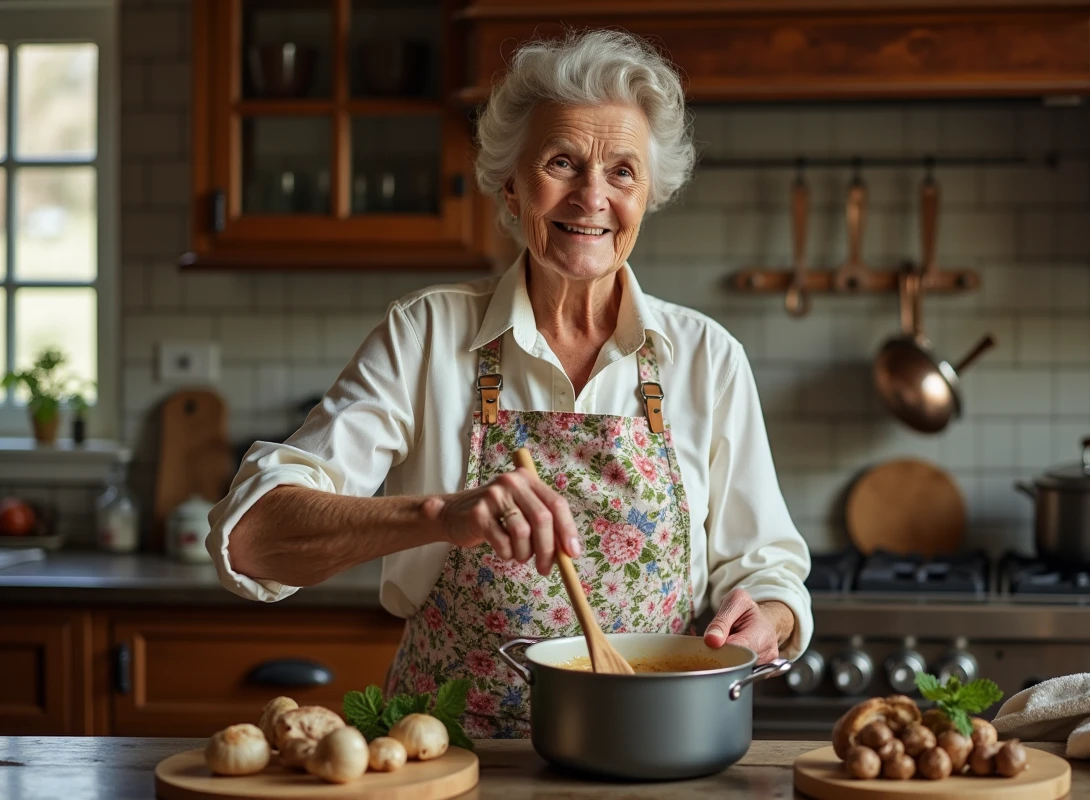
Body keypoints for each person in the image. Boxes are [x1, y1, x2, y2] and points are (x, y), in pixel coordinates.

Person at [207, 28, 812, 739]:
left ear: (648, 195)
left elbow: (766, 567)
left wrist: (769, 616)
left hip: (650, 744)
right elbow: (252, 539)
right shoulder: (425, 335)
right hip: (448, 751)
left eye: (622, 172)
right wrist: (440, 515)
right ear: (511, 184)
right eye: (562, 163)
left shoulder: (706, 357)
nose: (592, 196)